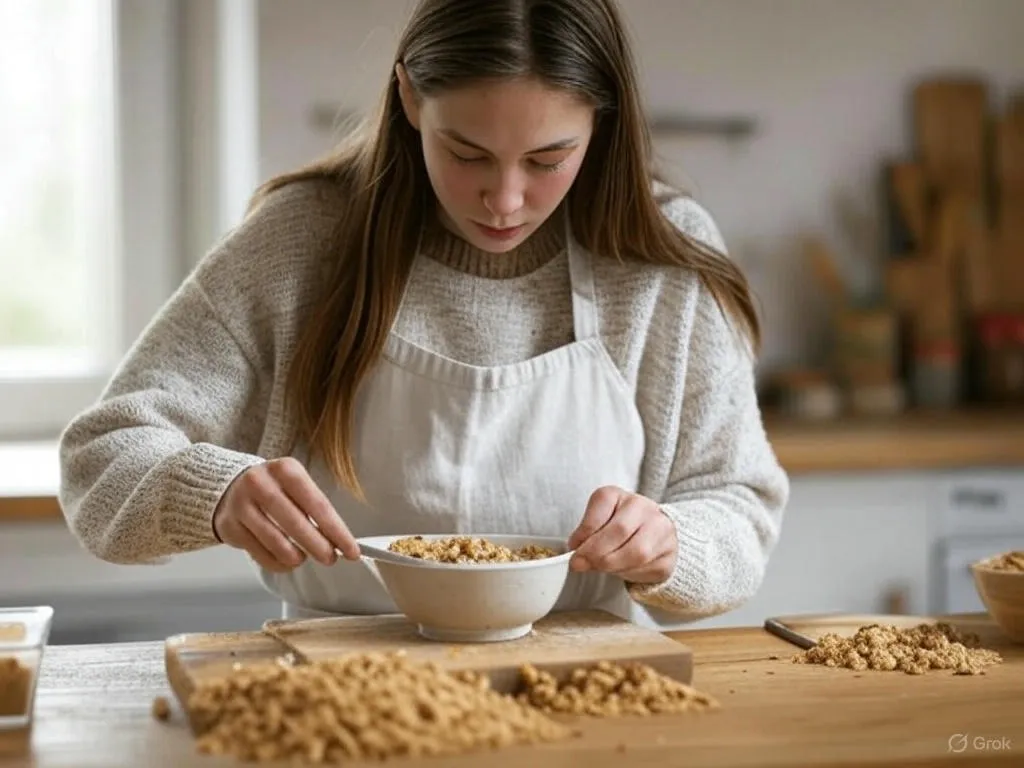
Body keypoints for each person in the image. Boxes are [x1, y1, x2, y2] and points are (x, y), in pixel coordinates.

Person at [58, 0, 788, 626]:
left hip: (590, 700)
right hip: (335, 697)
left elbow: (737, 504)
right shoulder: (301, 240)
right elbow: (103, 458)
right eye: (466, 152)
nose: (504, 201)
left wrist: (670, 543)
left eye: (547, 159)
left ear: (601, 122)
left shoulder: (659, 259)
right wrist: (212, 493)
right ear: (409, 98)